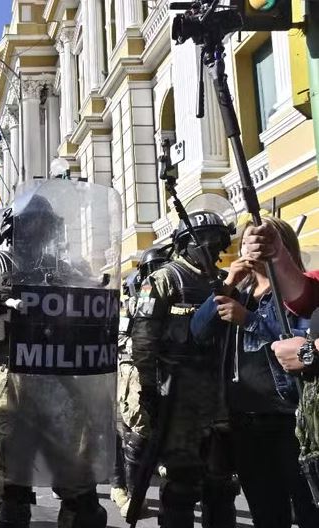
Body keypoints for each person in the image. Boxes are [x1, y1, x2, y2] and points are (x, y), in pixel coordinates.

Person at [0, 192, 107, 528]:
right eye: (31, 223)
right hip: (12, 385)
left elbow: (87, 320)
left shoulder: (62, 271)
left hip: (59, 386)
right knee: (13, 497)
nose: (38, 230)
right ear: (12, 227)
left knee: (83, 497)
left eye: (44, 224)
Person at [189, 216, 319, 526]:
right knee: (266, 511)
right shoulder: (240, 292)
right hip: (246, 421)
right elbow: (198, 331)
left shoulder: (295, 294)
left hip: (291, 420)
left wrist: (249, 320)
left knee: (309, 509)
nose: (251, 247)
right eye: (246, 242)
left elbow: (301, 344)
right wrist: (228, 284)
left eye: (258, 241)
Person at [130, 206, 238, 527]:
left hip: (221, 397)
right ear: (184, 242)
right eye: (202, 239)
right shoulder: (164, 280)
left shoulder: (225, 281)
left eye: (216, 240)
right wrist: (148, 388)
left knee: (221, 485)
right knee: (182, 484)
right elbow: (143, 339)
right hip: (179, 398)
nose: (210, 247)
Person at [244, 221, 319, 505]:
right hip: (250, 416)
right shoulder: (241, 289)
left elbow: (298, 328)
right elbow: (305, 296)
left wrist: (311, 353)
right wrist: (276, 255)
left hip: (287, 413)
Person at [111, 245, 170, 516]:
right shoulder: (139, 294)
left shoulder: (174, 286)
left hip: (166, 367)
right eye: (154, 267)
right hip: (133, 368)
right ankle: (132, 495)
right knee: (136, 432)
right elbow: (124, 336)